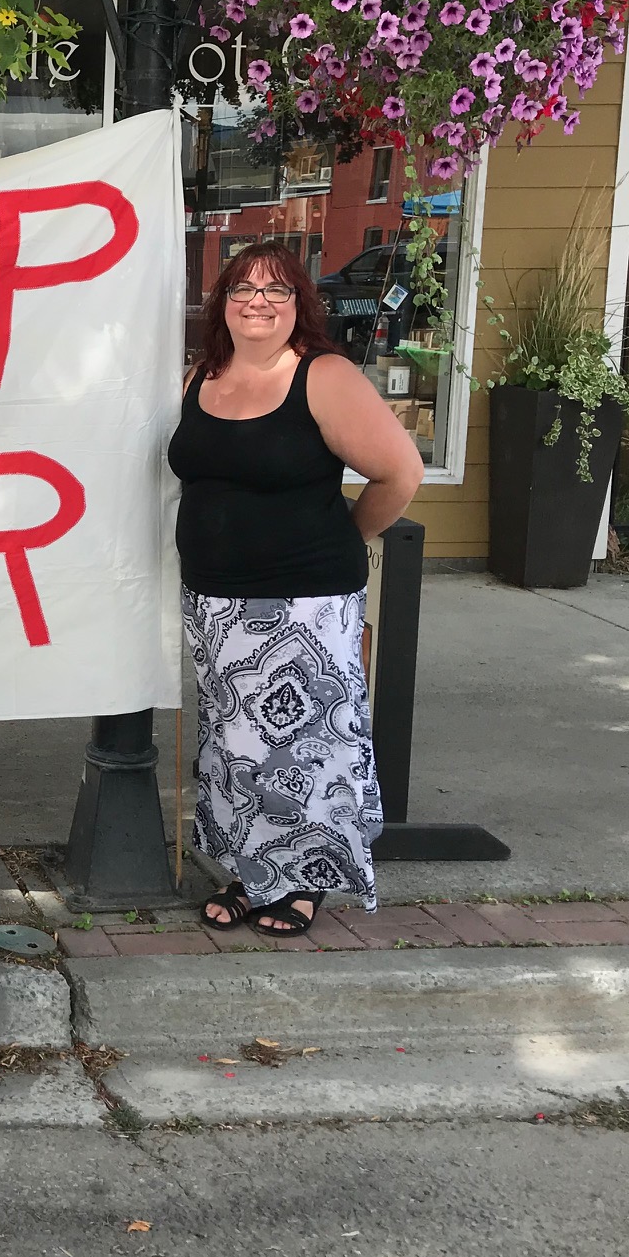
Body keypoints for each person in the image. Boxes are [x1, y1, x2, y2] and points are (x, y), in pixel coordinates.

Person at [166, 240, 423, 939]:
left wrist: (346, 537)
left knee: (302, 746)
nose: (258, 301)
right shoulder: (203, 376)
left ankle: (303, 881)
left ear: (299, 305)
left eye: (276, 291)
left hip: (304, 603)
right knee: (233, 743)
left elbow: (399, 474)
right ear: (222, 303)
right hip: (216, 602)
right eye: (243, 288)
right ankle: (252, 873)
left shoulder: (323, 376)